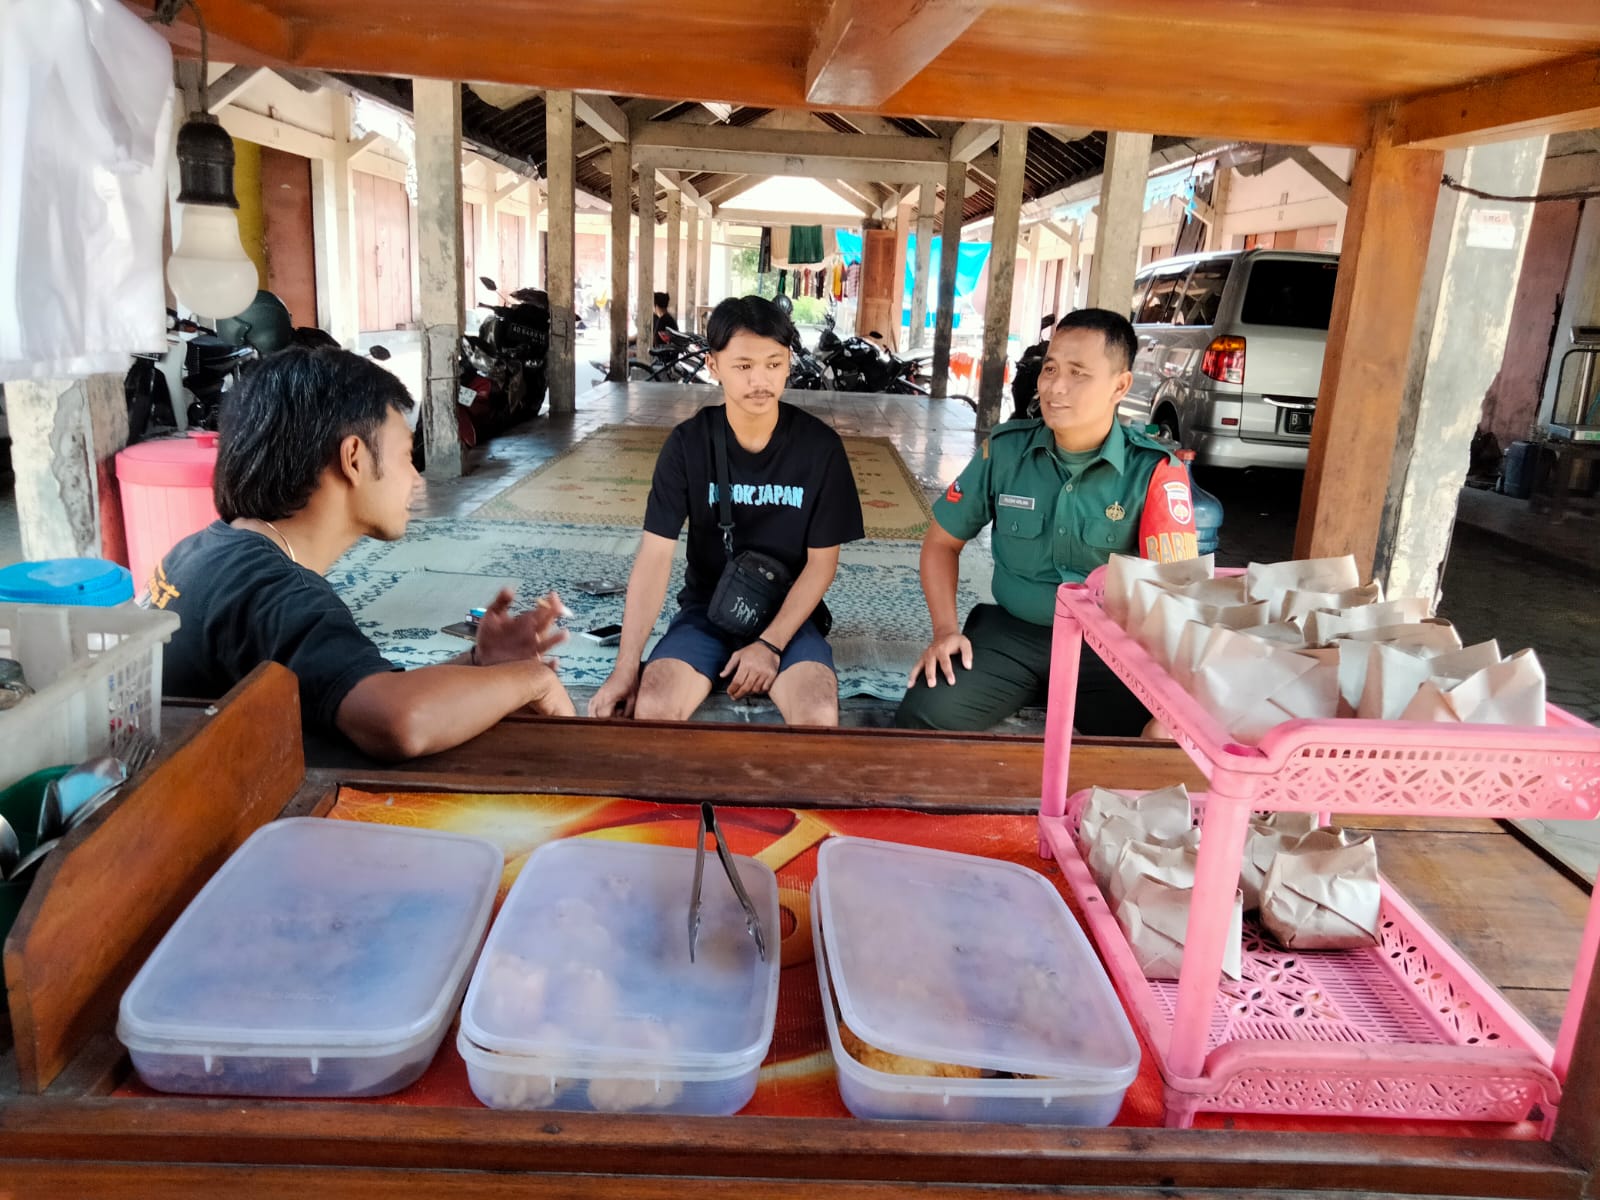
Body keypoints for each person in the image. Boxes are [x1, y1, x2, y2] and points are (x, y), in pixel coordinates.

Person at [149, 346, 575, 761]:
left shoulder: (209, 552)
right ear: (353, 458)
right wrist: (530, 679)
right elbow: (400, 722)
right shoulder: (279, 592)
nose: (417, 480)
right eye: (407, 457)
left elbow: (350, 686)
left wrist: (479, 663)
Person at [895, 308, 1196, 735]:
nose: (1055, 386)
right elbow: (942, 542)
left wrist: (1168, 695)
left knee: (1164, 741)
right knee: (925, 716)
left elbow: (1177, 593)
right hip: (1012, 636)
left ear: (1120, 385)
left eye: (1078, 373)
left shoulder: (1154, 472)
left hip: (1110, 650)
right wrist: (945, 630)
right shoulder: (1005, 451)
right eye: (1050, 368)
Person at [588, 295, 864, 725]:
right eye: (743, 366)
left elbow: (822, 565)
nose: (761, 380)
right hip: (707, 611)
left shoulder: (820, 449)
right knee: (654, 706)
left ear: (789, 361)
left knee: (818, 713)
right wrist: (626, 667)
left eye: (774, 364)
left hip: (787, 614)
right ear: (713, 367)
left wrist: (770, 645)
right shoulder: (687, 445)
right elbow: (655, 558)